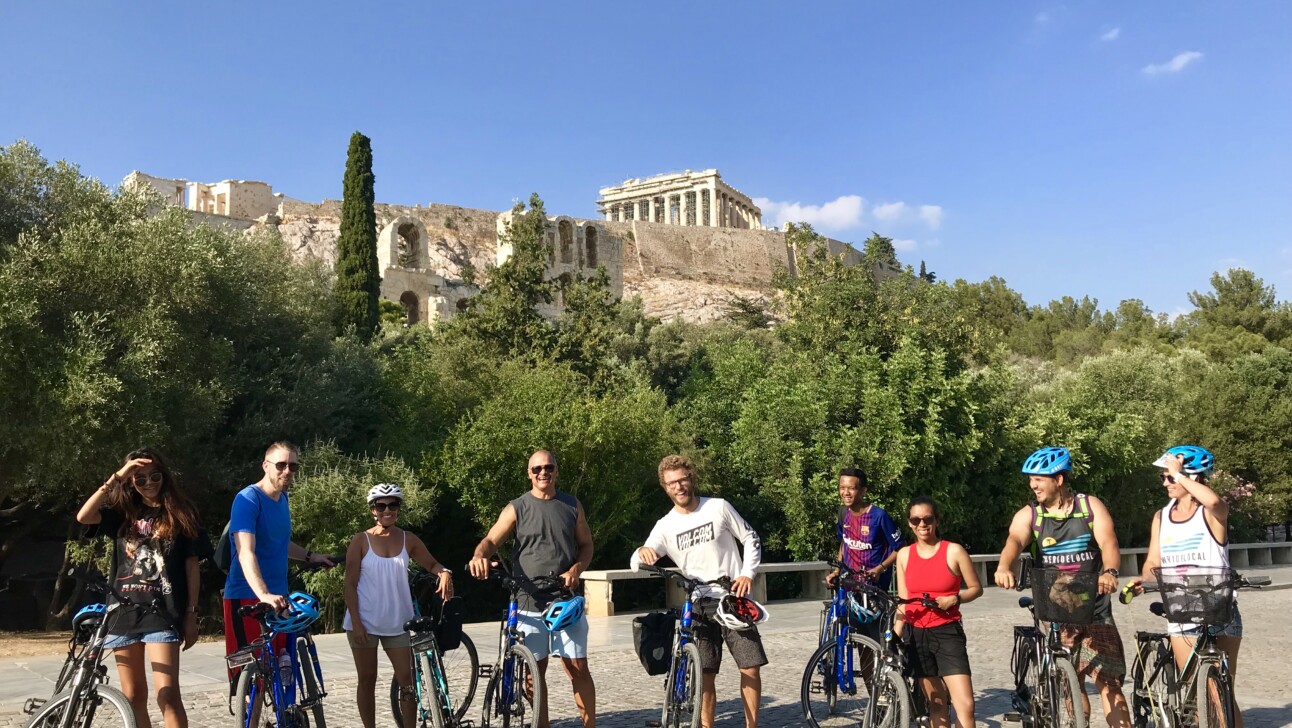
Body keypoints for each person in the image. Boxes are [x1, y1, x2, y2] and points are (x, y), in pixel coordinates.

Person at [995, 446, 1130, 728]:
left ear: (1058, 479)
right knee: (1071, 681)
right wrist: (1003, 566)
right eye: (1030, 479)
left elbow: (1108, 543)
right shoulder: (1030, 515)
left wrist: (1110, 571)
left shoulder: (1089, 506)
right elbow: (1014, 541)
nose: (1032, 485)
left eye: (1038, 478)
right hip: (1054, 609)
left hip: (1095, 607)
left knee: (1109, 681)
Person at [76, 448, 210, 728]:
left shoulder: (182, 512)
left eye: (155, 476)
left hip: (162, 612)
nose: (149, 483)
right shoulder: (121, 514)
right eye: (140, 478)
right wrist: (118, 476)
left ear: (165, 476)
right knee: (133, 696)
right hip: (123, 613)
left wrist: (191, 614)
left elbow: (191, 567)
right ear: (131, 482)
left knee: (168, 694)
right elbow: (84, 516)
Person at [630, 454, 767, 728]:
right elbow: (639, 560)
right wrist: (641, 552)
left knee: (750, 666)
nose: (679, 487)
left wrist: (747, 573)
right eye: (672, 483)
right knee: (705, 673)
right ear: (665, 488)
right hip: (698, 601)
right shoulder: (665, 525)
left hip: (732, 597)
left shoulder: (718, 507)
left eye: (682, 479)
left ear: (691, 478)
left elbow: (750, 538)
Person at [467, 450, 597, 728]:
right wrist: (479, 555)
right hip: (528, 603)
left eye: (548, 467)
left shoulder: (572, 505)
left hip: (565, 601)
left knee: (578, 669)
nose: (543, 473)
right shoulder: (517, 507)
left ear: (556, 471)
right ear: (529, 473)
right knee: (532, 675)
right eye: (536, 468)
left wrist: (575, 571)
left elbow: (586, 545)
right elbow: (491, 540)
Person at [1129, 446, 1246, 728]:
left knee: (1223, 693)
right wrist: (1143, 580)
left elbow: (1215, 501)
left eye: (1168, 477)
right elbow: (1153, 561)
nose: (1166, 482)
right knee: (1198, 688)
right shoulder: (1161, 516)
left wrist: (1180, 476)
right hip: (1181, 609)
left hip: (1220, 607)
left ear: (1190, 476)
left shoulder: (1211, 513)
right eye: (1165, 477)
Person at [344, 483, 454, 728]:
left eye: (393, 505)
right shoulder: (360, 540)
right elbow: (349, 585)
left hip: (399, 622)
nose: (387, 510)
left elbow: (432, 564)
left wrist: (444, 573)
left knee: (407, 679)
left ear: (399, 508)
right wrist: (357, 623)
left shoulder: (408, 539)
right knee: (367, 679)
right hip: (364, 621)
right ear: (373, 509)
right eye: (381, 505)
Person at [223, 442, 334, 678]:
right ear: (265, 465)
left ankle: (286, 714)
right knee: (250, 678)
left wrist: (310, 556)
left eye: (293, 466)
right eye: (281, 465)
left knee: (282, 670)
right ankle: (251, 714)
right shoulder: (248, 499)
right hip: (247, 596)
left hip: (280, 597)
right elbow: (245, 551)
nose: (287, 471)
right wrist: (263, 594)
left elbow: (281, 543)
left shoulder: (282, 500)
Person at [893, 497, 981, 728]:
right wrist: (894, 635)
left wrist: (956, 598)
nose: (922, 524)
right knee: (937, 704)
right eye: (915, 519)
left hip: (947, 632)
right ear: (909, 523)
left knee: (966, 704)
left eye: (927, 519)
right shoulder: (903, 555)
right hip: (916, 635)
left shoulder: (953, 551)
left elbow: (976, 589)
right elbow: (903, 602)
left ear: (937, 521)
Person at [826, 466, 903, 590]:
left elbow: (900, 547)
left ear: (863, 491)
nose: (846, 493)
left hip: (874, 588)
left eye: (851, 488)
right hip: (849, 584)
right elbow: (844, 542)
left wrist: (880, 568)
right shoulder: (843, 512)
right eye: (842, 488)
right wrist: (836, 571)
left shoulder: (879, 516)